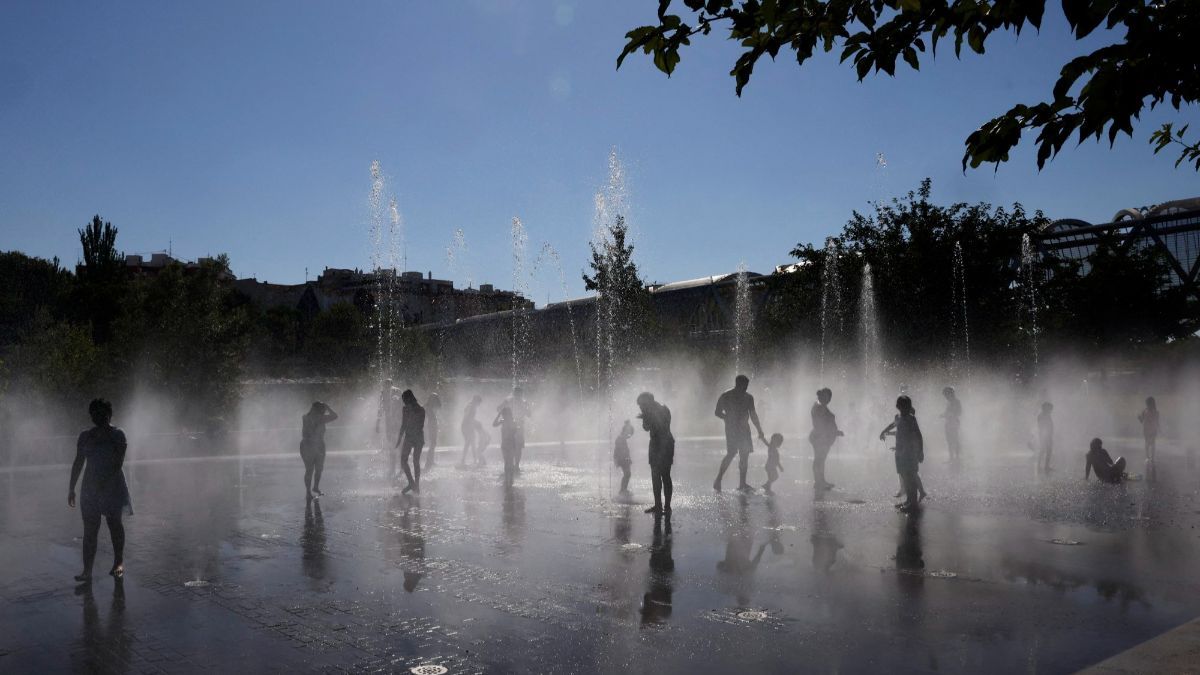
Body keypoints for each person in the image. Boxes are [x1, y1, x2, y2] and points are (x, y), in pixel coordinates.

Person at [68, 399, 133, 583]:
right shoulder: (85, 436)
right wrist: (71, 487)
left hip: (112, 485)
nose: (98, 416)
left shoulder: (118, 434)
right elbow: (78, 462)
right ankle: (87, 571)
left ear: (109, 414)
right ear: (91, 415)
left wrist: (102, 483)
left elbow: (118, 462)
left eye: (102, 413)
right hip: (90, 486)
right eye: (95, 413)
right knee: (90, 529)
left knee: (114, 524)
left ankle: (119, 561)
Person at [713, 374, 767, 492]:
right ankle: (718, 480)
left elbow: (753, 415)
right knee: (731, 453)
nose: (746, 387)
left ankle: (742, 483)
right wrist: (727, 417)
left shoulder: (748, 398)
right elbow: (717, 412)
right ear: (738, 384)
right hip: (732, 429)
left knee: (744, 455)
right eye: (745, 385)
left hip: (744, 430)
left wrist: (759, 430)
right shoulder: (726, 395)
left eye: (747, 385)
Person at [881, 395, 923, 512]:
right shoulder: (898, 417)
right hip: (900, 453)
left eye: (906, 407)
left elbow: (919, 436)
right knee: (904, 477)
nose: (904, 409)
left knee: (910, 477)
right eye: (902, 407)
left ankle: (913, 503)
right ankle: (909, 500)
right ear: (898, 407)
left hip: (910, 453)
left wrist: (920, 451)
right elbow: (892, 425)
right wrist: (884, 431)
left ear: (909, 407)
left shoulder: (911, 419)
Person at [638, 392, 675, 514]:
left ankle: (663, 506)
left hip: (660, 444)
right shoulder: (664, 408)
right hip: (663, 443)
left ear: (647, 402)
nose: (640, 408)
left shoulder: (657, 411)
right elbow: (649, 427)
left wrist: (645, 417)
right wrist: (646, 416)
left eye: (641, 405)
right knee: (661, 475)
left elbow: (648, 427)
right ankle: (662, 506)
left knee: (660, 475)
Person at [300, 401, 338, 500]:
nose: (324, 410)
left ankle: (315, 488)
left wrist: (326, 407)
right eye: (323, 409)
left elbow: (334, 416)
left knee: (318, 468)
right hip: (309, 445)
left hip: (316, 445)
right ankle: (308, 492)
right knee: (310, 469)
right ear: (318, 409)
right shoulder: (317, 418)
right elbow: (335, 416)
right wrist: (328, 406)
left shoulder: (307, 417)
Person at [809, 388, 844, 490]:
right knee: (819, 460)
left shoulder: (820, 405)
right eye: (827, 396)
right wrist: (835, 431)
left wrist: (834, 431)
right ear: (822, 396)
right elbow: (821, 424)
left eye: (829, 397)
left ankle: (821, 481)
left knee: (821, 460)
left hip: (822, 437)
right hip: (820, 437)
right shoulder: (819, 407)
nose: (828, 399)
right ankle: (818, 482)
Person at [394, 390, 425, 495]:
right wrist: (399, 438)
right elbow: (403, 424)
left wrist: (411, 436)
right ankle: (411, 483)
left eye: (405, 400)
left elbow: (420, 426)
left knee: (416, 461)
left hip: (418, 437)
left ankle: (417, 485)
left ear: (409, 398)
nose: (404, 402)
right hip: (409, 437)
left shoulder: (421, 410)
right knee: (403, 460)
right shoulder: (405, 409)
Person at [499, 386, 531, 472]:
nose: (518, 396)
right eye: (517, 394)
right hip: (512, 426)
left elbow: (529, 414)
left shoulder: (523, 402)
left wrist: (526, 408)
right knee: (513, 446)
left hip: (518, 426)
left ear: (521, 394)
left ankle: (515, 465)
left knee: (518, 446)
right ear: (514, 394)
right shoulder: (509, 401)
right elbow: (498, 409)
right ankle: (513, 464)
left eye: (519, 394)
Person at [494, 405, 518, 487]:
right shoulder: (502, 421)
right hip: (504, 444)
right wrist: (498, 414)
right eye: (503, 414)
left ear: (509, 414)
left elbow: (515, 431)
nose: (504, 415)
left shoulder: (513, 421)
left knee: (510, 462)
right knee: (506, 462)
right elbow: (494, 424)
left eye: (505, 414)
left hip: (511, 444)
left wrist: (513, 429)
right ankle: (507, 479)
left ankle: (510, 479)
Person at [458, 395, 483, 468]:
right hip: (467, 426)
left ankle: (472, 460)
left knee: (471, 443)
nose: (479, 405)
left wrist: (474, 423)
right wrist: (476, 422)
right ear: (476, 401)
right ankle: (468, 460)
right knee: (469, 442)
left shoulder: (470, 405)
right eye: (479, 403)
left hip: (466, 426)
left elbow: (468, 417)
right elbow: (468, 417)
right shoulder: (472, 406)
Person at [1138, 397, 1159, 479]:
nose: (1147, 405)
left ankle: (1152, 457)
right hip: (1146, 429)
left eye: (1148, 403)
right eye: (1147, 403)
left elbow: (1157, 421)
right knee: (1147, 443)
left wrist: (1159, 428)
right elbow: (1141, 421)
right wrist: (1139, 418)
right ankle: (1147, 457)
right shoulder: (1145, 411)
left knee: (1152, 443)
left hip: (1153, 429)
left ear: (1151, 403)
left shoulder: (1156, 411)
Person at [422, 393, 442, 471]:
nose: (434, 399)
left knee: (433, 444)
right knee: (433, 444)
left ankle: (431, 461)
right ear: (431, 399)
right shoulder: (428, 407)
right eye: (433, 398)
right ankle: (428, 462)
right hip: (431, 425)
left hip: (433, 425)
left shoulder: (431, 406)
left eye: (435, 398)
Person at [614, 420, 635, 495]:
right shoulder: (620, 438)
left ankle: (623, 489)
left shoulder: (622, 438)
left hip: (624, 458)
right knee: (627, 474)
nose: (629, 437)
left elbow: (623, 450)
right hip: (622, 459)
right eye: (629, 435)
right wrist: (617, 459)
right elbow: (617, 450)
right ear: (626, 432)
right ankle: (622, 490)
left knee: (627, 474)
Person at [942, 386, 962, 462]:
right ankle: (951, 457)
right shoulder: (948, 402)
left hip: (954, 423)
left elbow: (959, 412)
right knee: (949, 440)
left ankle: (957, 457)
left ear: (950, 394)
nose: (945, 397)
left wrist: (952, 414)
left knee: (955, 439)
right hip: (948, 423)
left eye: (946, 395)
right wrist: (943, 415)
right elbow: (947, 412)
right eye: (945, 395)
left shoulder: (957, 401)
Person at [1037, 402, 1055, 472]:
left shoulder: (1046, 415)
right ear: (1045, 408)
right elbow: (1041, 426)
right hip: (1045, 436)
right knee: (1044, 450)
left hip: (1047, 435)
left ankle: (1045, 466)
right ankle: (1041, 466)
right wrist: (1045, 435)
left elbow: (1049, 425)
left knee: (1048, 451)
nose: (1051, 410)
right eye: (1050, 409)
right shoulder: (1042, 415)